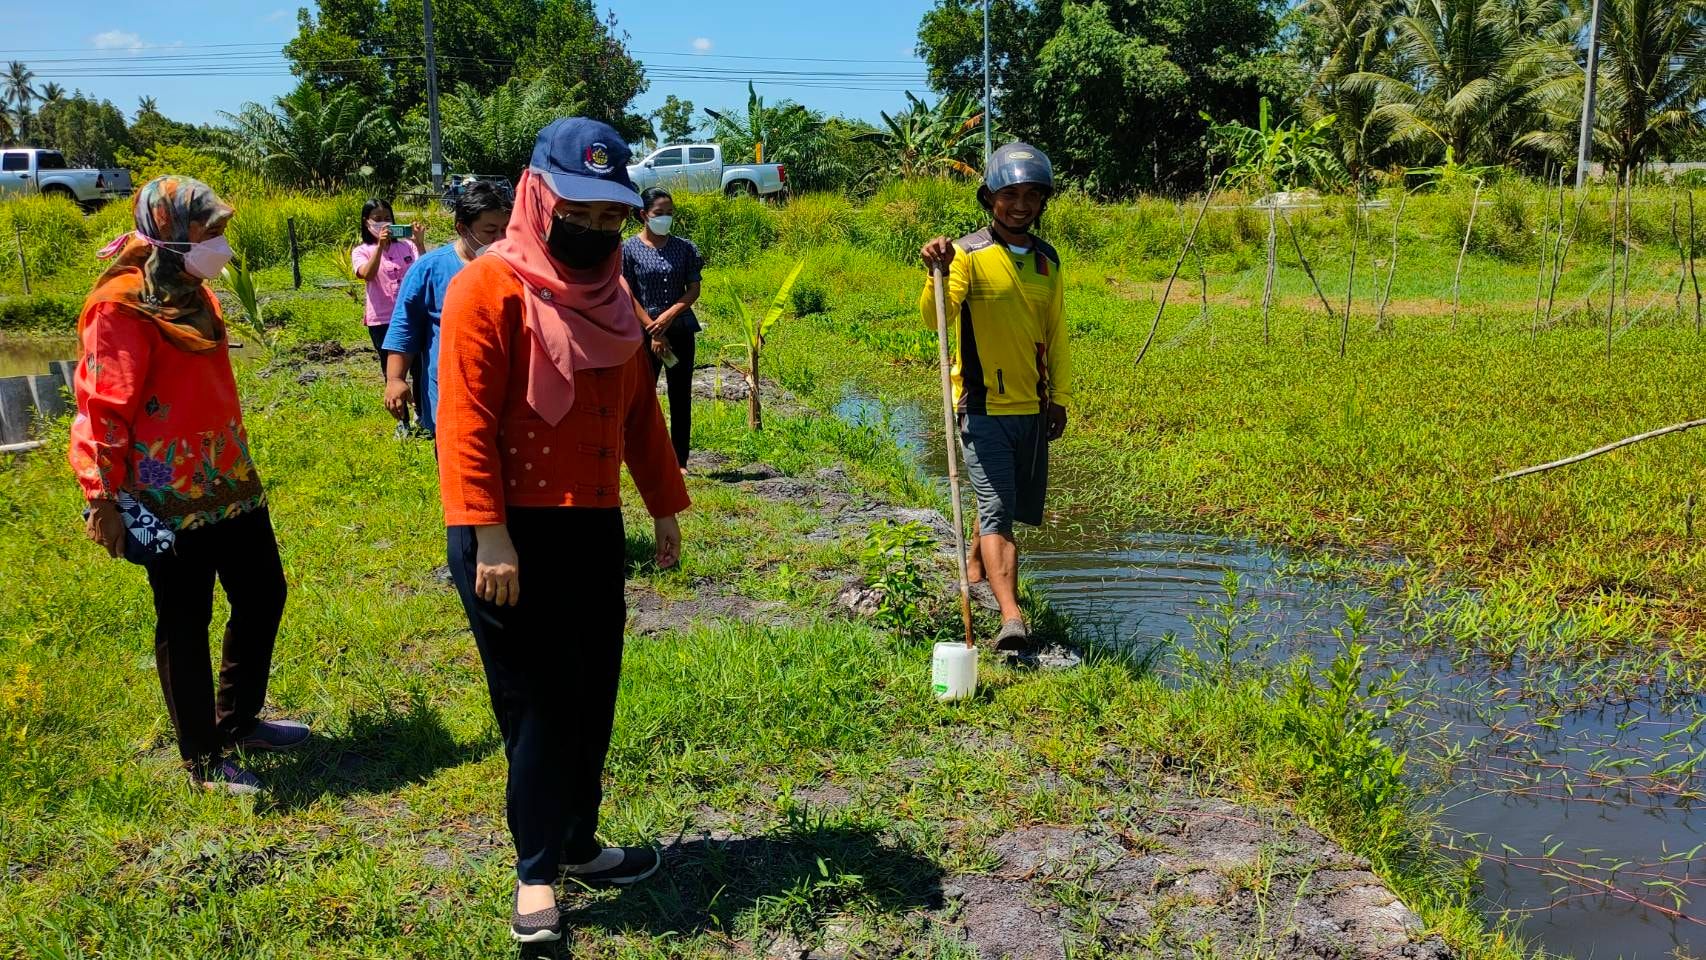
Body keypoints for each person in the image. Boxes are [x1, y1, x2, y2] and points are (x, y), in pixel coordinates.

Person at [436, 118, 690, 944]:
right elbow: (466, 421)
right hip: (508, 534)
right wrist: (491, 533)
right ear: (539, 197)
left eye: (612, 215)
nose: (598, 229)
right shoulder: (487, 288)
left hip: (590, 527)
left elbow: (638, 415)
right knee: (540, 701)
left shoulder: (614, 299)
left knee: (592, 691)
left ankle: (578, 841)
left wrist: (663, 506)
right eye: (580, 211)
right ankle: (537, 871)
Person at [69, 176, 309, 796]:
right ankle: (203, 757)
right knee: (184, 617)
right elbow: (102, 406)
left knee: (263, 592)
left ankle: (238, 720)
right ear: (172, 232)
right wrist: (102, 497)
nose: (221, 244)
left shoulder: (197, 293)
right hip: (163, 490)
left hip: (227, 475)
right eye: (211, 232)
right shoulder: (119, 306)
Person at [919, 142, 1072, 654]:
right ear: (989, 199)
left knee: (1010, 506)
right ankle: (1011, 616)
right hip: (983, 407)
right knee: (999, 510)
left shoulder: (1048, 260)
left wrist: (1059, 398)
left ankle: (975, 565)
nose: (1021, 205)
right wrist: (934, 272)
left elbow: (1056, 333)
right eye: (1010, 195)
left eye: (1032, 195)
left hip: (1033, 406)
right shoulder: (966, 253)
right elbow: (934, 315)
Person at [382, 180, 513, 438]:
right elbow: (404, 329)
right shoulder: (429, 270)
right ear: (462, 228)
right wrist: (395, 379)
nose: (500, 240)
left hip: (508, 403)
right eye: (490, 231)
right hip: (450, 401)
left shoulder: (517, 268)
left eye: (505, 230)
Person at [622, 188, 703, 471]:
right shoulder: (628, 250)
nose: (665, 218)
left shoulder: (684, 248)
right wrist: (654, 330)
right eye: (659, 213)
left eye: (669, 213)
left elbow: (693, 288)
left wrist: (669, 315)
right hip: (643, 333)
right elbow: (626, 293)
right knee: (641, 397)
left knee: (681, 396)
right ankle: (640, 457)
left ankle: (679, 460)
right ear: (644, 215)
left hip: (680, 328)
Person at [353, 198, 427, 433]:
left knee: (420, 368)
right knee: (393, 372)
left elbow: (424, 269)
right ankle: (402, 423)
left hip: (413, 316)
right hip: (382, 321)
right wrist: (379, 249)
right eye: (377, 218)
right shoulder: (362, 251)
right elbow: (366, 274)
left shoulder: (407, 246)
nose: (384, 222)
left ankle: (423, 416)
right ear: (366, 223)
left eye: (387, 217)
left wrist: (420, 243)